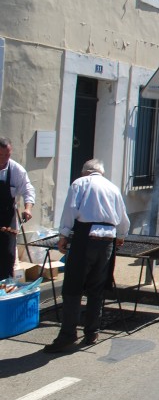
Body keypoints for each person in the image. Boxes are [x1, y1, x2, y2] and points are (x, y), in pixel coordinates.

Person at [43, 159, 130, 353]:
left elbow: (70, 210)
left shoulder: (80, 183)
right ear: (101, 173)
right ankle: (92, 332)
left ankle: (68, 334)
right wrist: (121, 236)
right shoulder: (113, 188)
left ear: (85, 172)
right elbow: (123, 218)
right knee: (96, 287)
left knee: (73, 286)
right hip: (107, 241)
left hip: (86, 238)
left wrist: (63, 235)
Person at [0, 137, 35, 280]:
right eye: (1, 155)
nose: (4, 158)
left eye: (7, 155)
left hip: (7, 218)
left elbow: (28, 190)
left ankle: (5, 286)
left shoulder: (16, 170)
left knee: (7, 255)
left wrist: (28, 208)